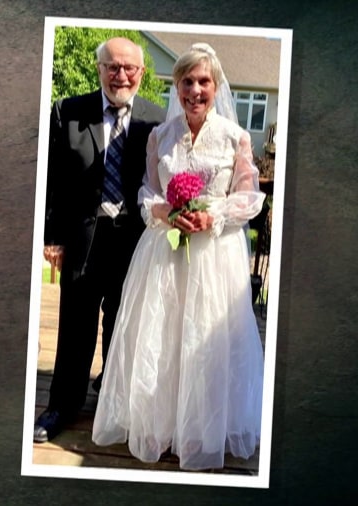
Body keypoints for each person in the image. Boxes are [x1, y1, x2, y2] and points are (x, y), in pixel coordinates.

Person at [91, 43, 266, 470]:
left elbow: (249, 196)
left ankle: (202, 430)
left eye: (203, 81)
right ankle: (161, 424)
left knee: (207, 339)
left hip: (215, 254)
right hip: (166, 249)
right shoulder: (160, 135)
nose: (194, 89)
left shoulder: (235, 137)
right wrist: (165, 211)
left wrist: (215, 215)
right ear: (177, 86)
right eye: (186, 81)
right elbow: (147, 190)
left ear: (216, 85)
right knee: (163, 335)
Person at [34, 38, 165, 443]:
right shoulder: (68, 112)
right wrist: (51, 238)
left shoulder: (157, 121)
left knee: (122, 324)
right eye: (112, 66)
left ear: (141, 73)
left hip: (135, 240)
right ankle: (61, 406)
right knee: (75, 323)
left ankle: (114, 400)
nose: (120, 74)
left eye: (129, 68)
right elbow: (52, 182)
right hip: (82, 238)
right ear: (99, 69)